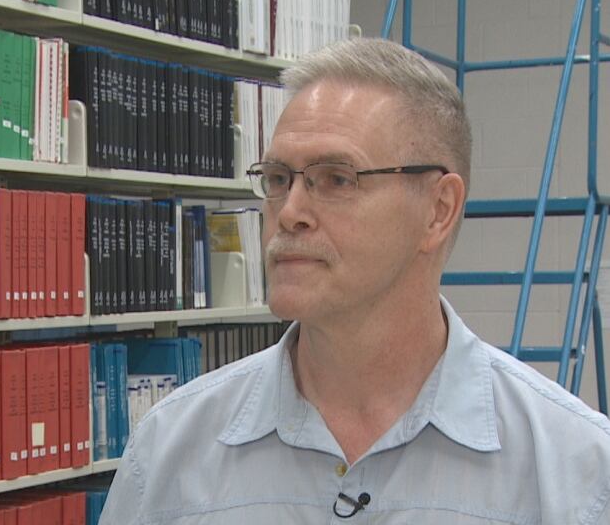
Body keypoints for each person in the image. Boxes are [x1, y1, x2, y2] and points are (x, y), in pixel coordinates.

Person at [99, 37, 610, 524]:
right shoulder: (168, 453)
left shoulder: (574, 474)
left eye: (336, 179)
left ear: (438, 210)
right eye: (279, 179)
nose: (290, 212)